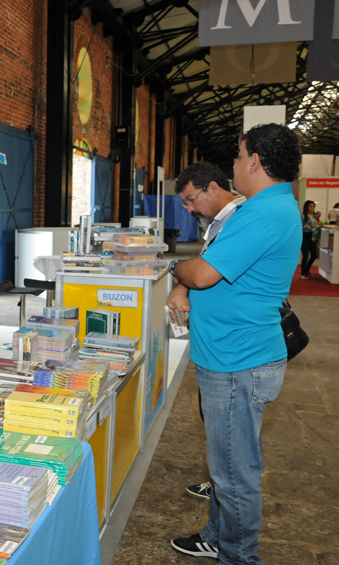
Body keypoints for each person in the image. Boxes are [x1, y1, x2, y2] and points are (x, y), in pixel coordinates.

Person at [168, 123, 302, 564]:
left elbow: (204, 272)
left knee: (235, 477)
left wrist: (177, 271)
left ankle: (239, 558)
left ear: (255, 162)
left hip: (238, 363)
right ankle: (217, 535)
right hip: (230, 357)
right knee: (227, 467)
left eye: (238, 156)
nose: (234, 166)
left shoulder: (265, 213)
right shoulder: (262, 208)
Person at [166, 161, 245, 503]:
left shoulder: (242, 219)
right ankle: (219, 486)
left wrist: (175, 268)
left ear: (213, 187)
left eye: (191, 199)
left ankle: (230, 534)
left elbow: (201, 274)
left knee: (231, 442)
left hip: (233, 351)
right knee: (219, 436)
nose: (189, 208)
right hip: (215, 346)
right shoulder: (219, 223)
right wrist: (182, 288)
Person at [300, 200, 318, 279]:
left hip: (313, 237)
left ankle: (307, 270)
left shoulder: (314, 216)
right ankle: (303, 273)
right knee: (305, 256)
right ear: (307, 207)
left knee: (314, 255)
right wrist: (306, 227)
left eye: (313, 206)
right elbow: (299, 227)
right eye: (311, 206)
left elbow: (316, 226)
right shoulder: (303, 216)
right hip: (305, 236)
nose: (312, 208)